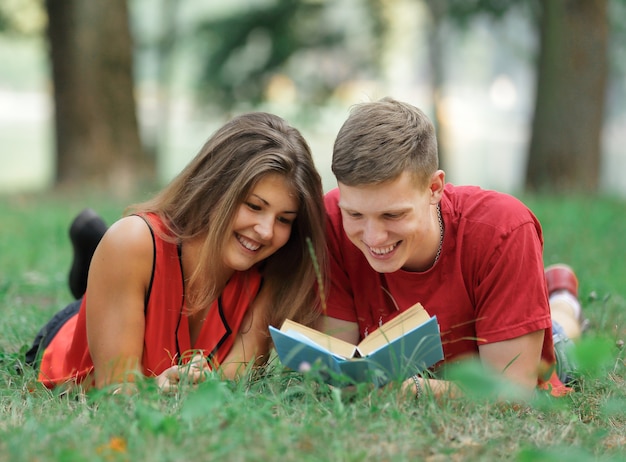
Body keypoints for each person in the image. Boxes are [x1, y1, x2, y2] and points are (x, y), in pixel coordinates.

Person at [26, 112, 328, 394]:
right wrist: (156, 389)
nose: (266, 231)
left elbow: (234, 387)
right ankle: (96, 261)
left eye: (284, 219)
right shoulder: (132, 242)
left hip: (134, 275)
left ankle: (94, 258)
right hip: (70, 342)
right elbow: (116, 390)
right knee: (122, 252)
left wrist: (200, 387)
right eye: (254, 206)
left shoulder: (272, 270)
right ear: (216, 190)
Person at [319, 97, 584, 400]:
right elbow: (338, 360)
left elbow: (512, 391)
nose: (374, 237)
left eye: (392, 215)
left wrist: (403, 389)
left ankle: (563, 301)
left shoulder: (504, 230)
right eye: (355, 214)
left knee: (562, 338)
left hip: (507, 354)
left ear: (434, 189)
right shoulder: (332, 218)